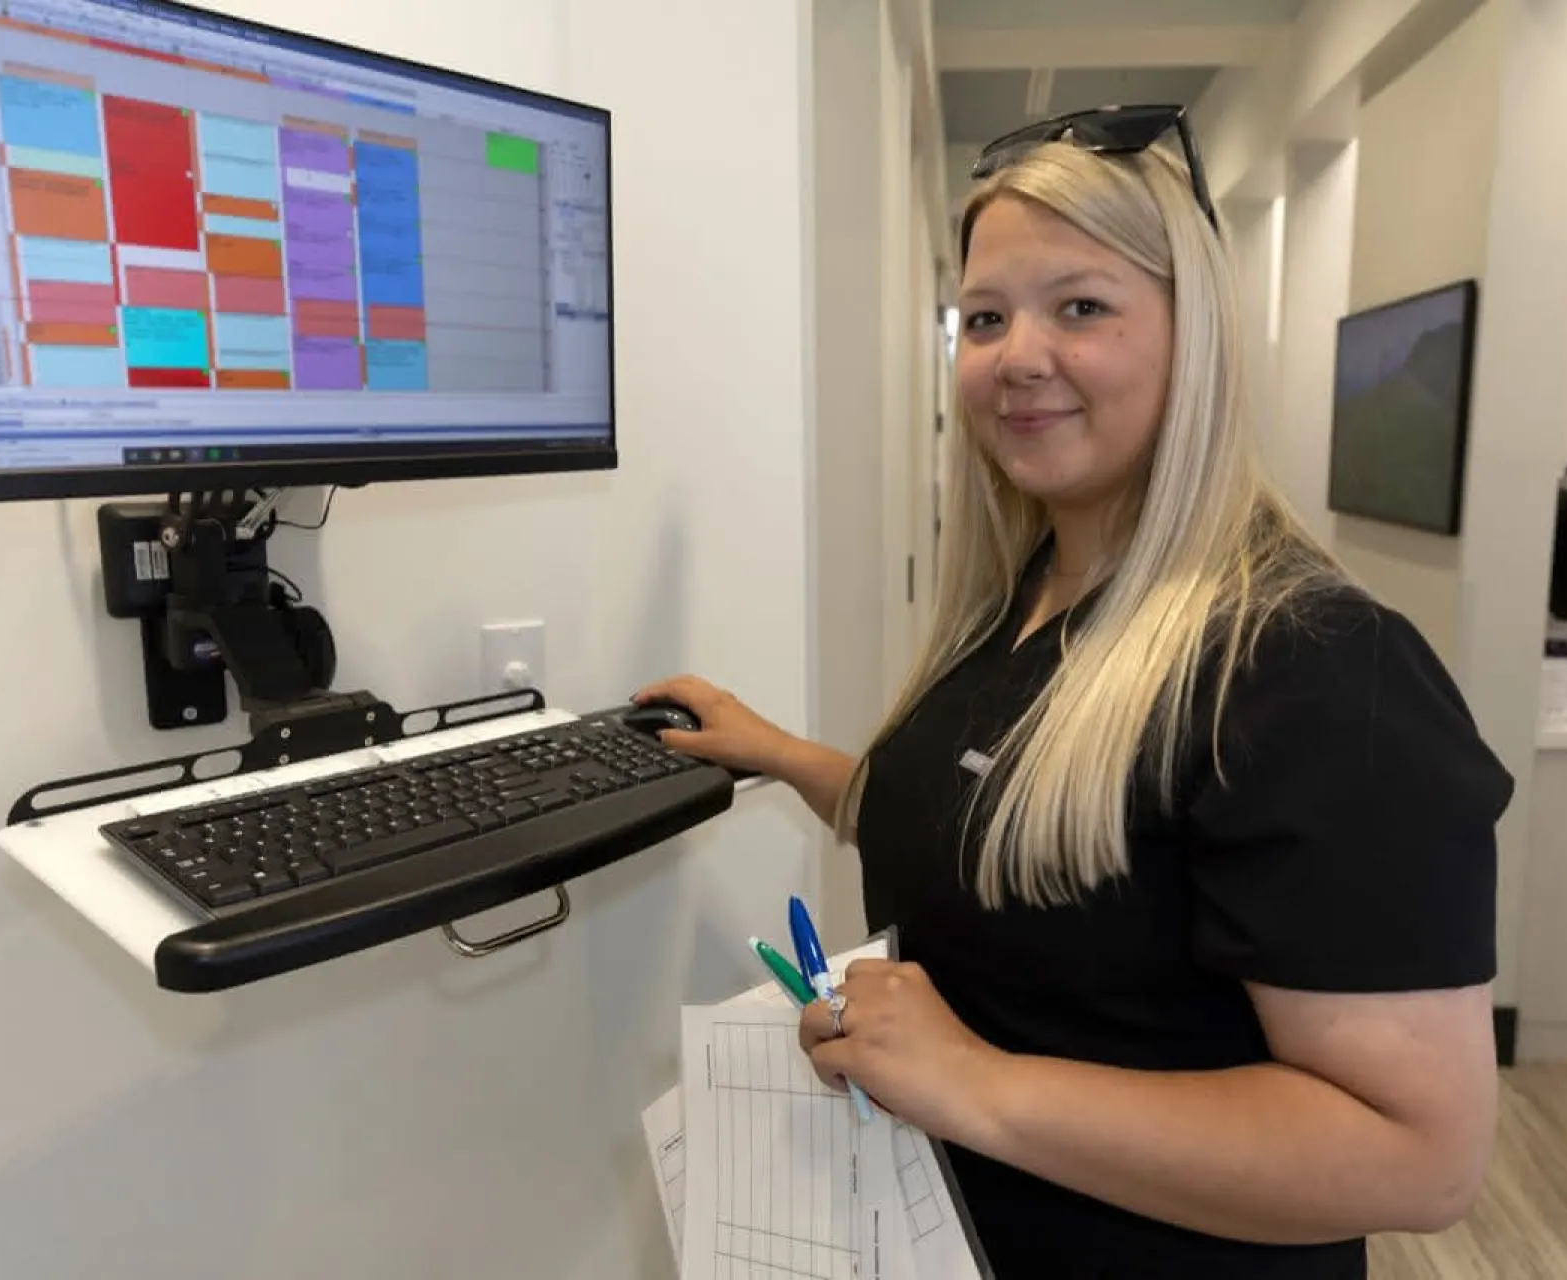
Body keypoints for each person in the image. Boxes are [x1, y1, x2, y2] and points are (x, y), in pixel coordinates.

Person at [634, 104, 1514, 1278]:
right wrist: (791, 757)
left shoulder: (1308, 667)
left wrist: (978, 1085)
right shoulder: (1029, 597)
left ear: (1191, 337)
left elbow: (1419, 1155)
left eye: (1081, 306)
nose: (1018, 354)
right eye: (986, 317)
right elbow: (1040, 851)